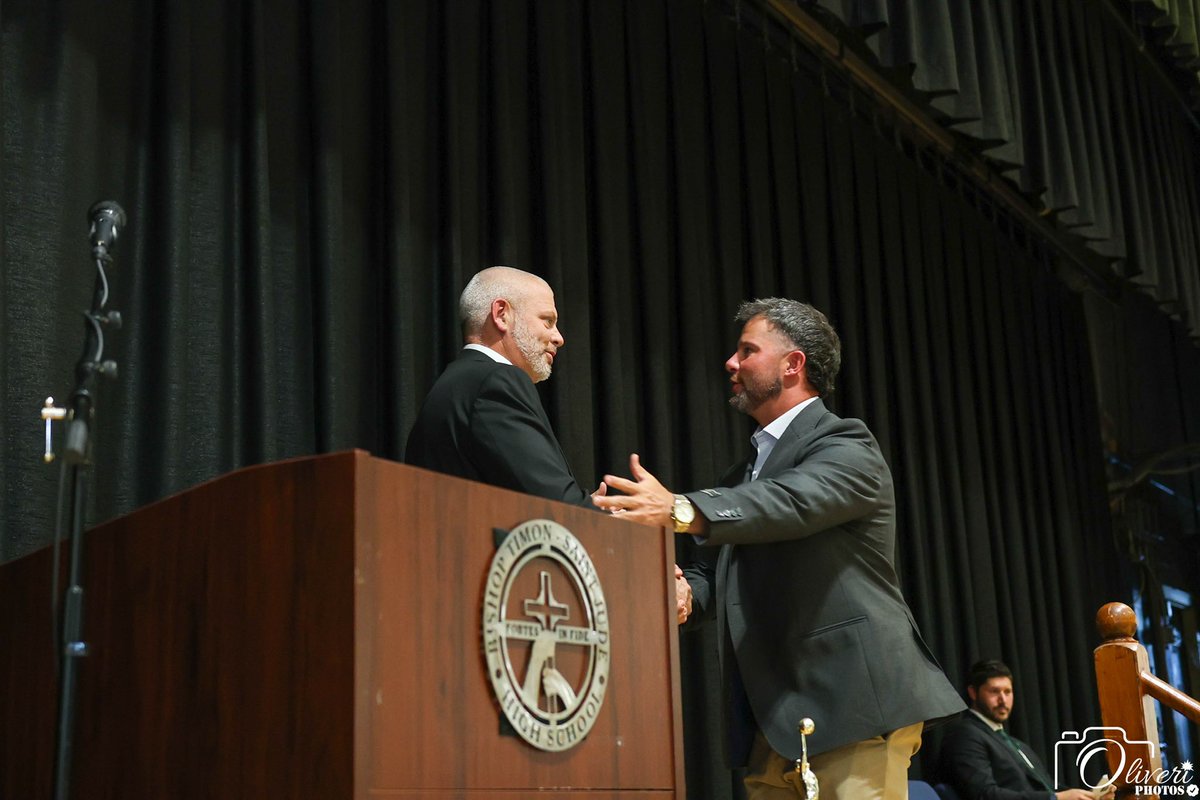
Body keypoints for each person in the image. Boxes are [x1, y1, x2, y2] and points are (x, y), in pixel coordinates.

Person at [594, 297, 964, 799]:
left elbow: (791, 501)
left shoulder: (848, 445)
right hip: (771, 724)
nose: (731, 362)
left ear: (793, 365)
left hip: (849, 708)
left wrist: (682, 509)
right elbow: (718, 574)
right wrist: (684, 598)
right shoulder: (741, 475)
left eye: (747, 350)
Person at [405, 266, 598, 506]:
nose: (559, 338)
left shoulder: (456, 383)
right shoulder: (496, 382)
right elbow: (556, 504)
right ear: (502, 314)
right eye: (547, 321)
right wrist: (602, 516)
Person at [940, 660, 1110, 800]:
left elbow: (1049, 788)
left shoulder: (1015, 744)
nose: (1003, 700)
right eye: (994, 691)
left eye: (1008, 691)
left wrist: (1089, 796)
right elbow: (985, 795)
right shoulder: (965, 735)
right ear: (973, 693)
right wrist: (1056, 798)